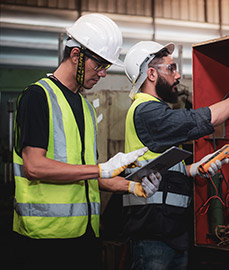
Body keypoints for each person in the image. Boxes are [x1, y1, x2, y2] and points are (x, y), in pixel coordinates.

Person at [12, 14, 161, 270]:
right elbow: (34, 166)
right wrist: (100, 169)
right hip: (44, 240)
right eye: (99, 65)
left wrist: (131, 187)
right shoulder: (38, 96)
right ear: (76, 55)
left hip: (86, 236)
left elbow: (87, 174)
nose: (103, 73)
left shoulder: (85, 107)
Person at [122, 40, 229, 270]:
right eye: (171, 68)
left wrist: (193, 168)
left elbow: (157, 164)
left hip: (171, 230)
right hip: (154, 232)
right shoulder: (146, 111)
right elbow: (203, 119)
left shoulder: (153, 110)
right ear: (151, 74)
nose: (178, 75)